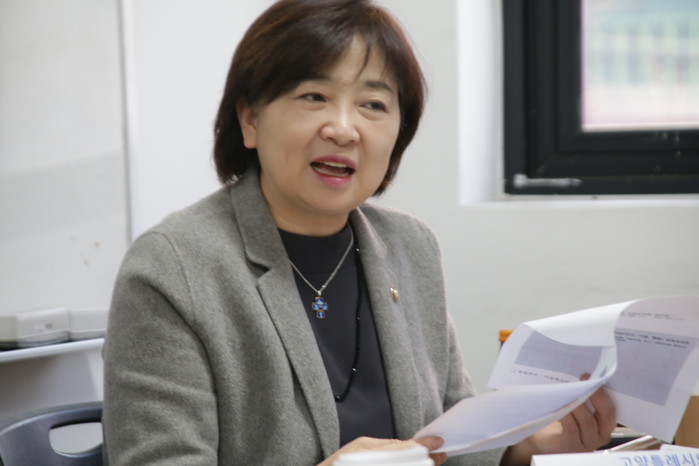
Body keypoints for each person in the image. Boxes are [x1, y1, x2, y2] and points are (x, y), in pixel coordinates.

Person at [102, 0, 616, 464]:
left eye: (373, 105)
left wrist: (528, 448)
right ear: (250, 119)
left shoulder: (410, 246)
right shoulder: (173, 268)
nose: (344, 129)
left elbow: (451, 430)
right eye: (314, 96)